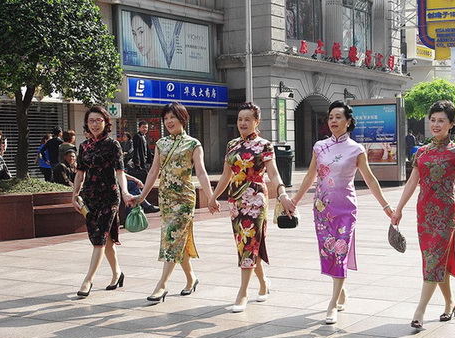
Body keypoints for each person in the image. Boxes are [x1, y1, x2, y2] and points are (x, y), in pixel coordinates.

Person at [291, 100, 394, 324]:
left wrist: (386, 206)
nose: (333, 121)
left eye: (338, 117)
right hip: (322, 208)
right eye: (330, 117)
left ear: (348, 122)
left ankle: (332, 305)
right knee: (329, 251)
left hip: (346, 208)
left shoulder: (356, 149)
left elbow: (369, 178)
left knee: (340, 250)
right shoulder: (319, 146)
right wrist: (295, 200)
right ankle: (341, 291)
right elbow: (310, 176)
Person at [391, 100, 455, 329]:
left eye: (441, 121)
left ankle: (420, 310)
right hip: (423, 211)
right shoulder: (422, 151)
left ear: (452, 123)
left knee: (434, 258)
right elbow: (412, 182)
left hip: (445, 212)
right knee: (434, 260)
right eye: (433, 120)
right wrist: (398, 209)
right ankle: (451, 302)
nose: (436, 125)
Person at [208, 102, 294, 313]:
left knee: (248, 243)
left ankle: (243, 293)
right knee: (245, 245)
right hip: (235, 201)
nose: (243, 123)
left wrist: (282, 193)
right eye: (240, 119)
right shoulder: (232, 145)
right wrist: (212, 197)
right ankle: (264, 283)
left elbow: (273, 173)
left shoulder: (264, 145)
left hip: (255, 200)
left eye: (247, 119)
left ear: (257, 122)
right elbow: (226, 175)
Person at [132, 102, 213, 302]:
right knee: (177, 240)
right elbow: (153, 172)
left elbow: (201, 172)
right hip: (166, 198)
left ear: (182, 118)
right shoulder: (161, 143)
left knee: (172, 237)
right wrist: (141, 197)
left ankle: (162, 285)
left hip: (184, 199)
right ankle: (191, 279)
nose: (169, 121)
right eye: (166, 118)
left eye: (172, 117)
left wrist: (211, 196)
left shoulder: (193, 144)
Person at [72, 106, 133, 297]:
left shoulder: (112, 145)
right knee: (105, 240)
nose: (95, 124)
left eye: (99, 120)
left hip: (109, 196)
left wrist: (125, 191)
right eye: (91, 121)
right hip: (90, 198)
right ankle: (117, 273)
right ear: (86, 124)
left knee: (99, 239)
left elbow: (120, 172)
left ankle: (88, 280)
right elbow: (80, 173)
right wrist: (74, 195)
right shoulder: (84, 146)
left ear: (106, 122)